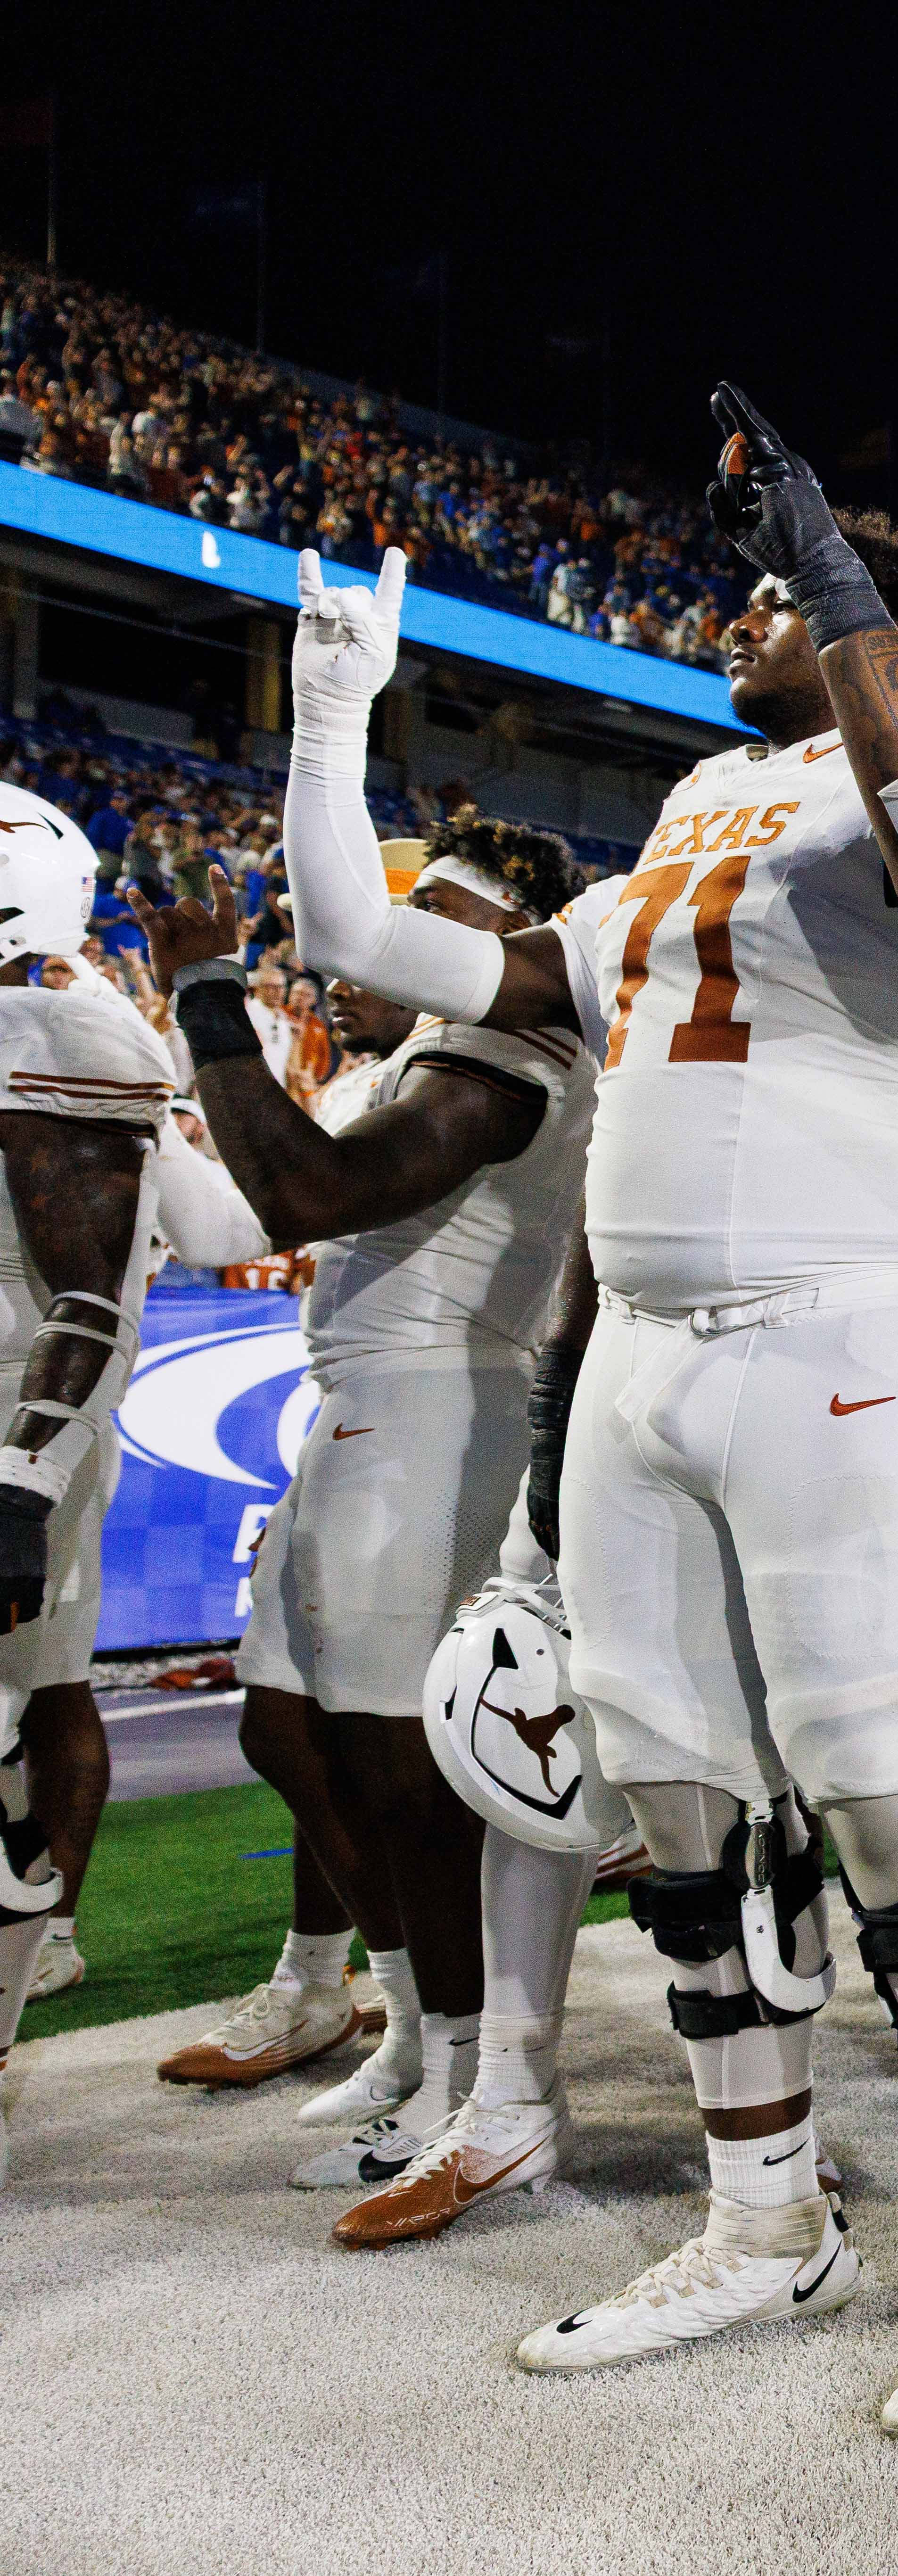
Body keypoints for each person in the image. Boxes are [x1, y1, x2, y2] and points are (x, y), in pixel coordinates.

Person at [273, 384, 898, 2442]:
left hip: (852, 1325)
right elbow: (371, 947)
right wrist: (327, 716)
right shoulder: (687, 817)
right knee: (673, 1816)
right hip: (642, 1343)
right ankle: (763, 2211)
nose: (733, 607)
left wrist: (838, 584)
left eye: (775, 588)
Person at [133, 813, 599, 2226]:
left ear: (492, 944)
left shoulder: (512, 1058)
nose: (355, 941)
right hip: (359, 1411)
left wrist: (215, 997)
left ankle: (475, 2079)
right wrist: (150, 1084)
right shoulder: (401, 1068)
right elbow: (230, 1227)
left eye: (420, 908)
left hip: (441, 1412)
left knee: (410, 1770)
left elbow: (311, 1192)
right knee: (285, 1728)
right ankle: (407, 2033)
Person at [0, 778, 176, 2184]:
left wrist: (23, 1474)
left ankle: (33, 1942)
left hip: (21, 1421)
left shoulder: (59, 1026)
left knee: (31, 1696)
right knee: (36, 1693)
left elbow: (87, 1294)